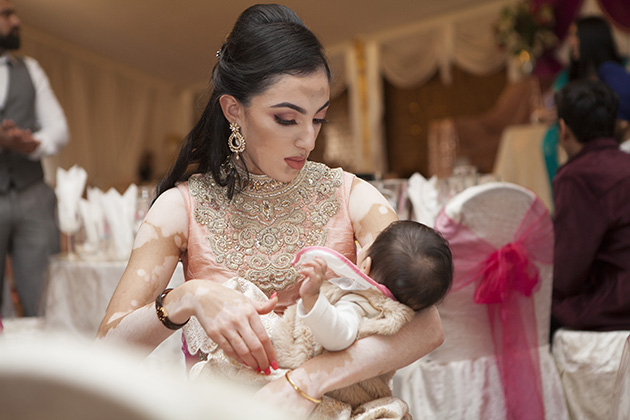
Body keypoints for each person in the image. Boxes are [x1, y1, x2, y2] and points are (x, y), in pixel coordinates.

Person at [97, 4, 443, 418]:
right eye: (286, 119)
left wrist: (304, 383)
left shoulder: (349, 195)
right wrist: (188, 297)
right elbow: (106, 353)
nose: (308, 140)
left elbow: (428, 326)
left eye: (318, 119)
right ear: (233, 111)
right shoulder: (181, 207)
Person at [189, 221, 452, 411]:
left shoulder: (361, 302)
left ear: (365, 264)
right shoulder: (395, 311)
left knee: (238, 297)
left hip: (300, 368)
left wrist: (313, 299)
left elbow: (340, 336)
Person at [0, 0, 69, 316]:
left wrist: (29, 144)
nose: (15, 21)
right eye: (6, 14)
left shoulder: (30, 69)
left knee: (44, 299)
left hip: (31, 192)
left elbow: (58, 129)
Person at [551, 79, 630, 333]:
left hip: (613, 307)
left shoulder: (577, 177)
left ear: (563, 128)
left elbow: (566, 277)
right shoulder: (625, 163)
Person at [541, 16, 624, 190]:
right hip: (580, 132)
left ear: (592, 38)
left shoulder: (620, 72)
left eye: (575, 35)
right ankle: (563, 193)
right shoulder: (567, 77)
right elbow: (551, 105)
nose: (571, 42)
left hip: (613, 131)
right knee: (548, 142)